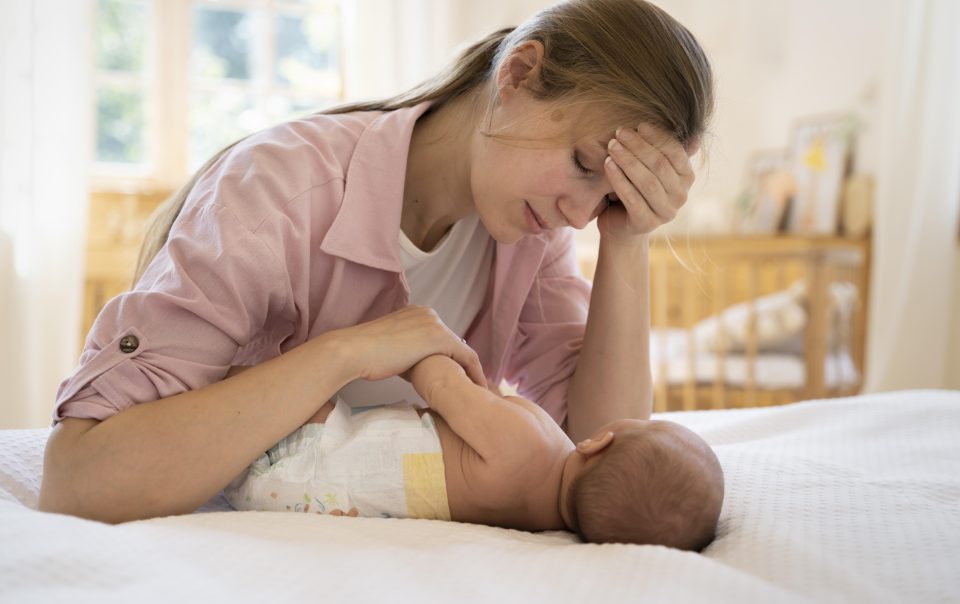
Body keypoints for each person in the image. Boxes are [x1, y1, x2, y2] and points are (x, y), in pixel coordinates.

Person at [39, 0, 714, 524]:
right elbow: (80, 478)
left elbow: (598, 469)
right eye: (585, 165)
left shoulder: (531, 235)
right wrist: (346, 353)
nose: (578, 212)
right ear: (517, 73)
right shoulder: (274, 192)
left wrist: (628, 239)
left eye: (608, 196)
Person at [226, 355, 725, 550]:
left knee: (287, 369)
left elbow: (444, 387)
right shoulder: (535, 520)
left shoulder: (534, 441)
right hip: (299, 496)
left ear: (597, 443)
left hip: (310, 450)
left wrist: (422, 345)